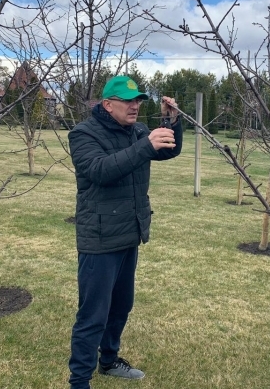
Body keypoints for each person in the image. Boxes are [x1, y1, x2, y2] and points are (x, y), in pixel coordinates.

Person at [67, 76, 182, 389]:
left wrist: (171, 121)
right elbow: (100, 170)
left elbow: (169, 150)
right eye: (128, 101)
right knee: (93, 314)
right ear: (107, 104)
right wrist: (144, 146)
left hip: (129, 232)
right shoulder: (83, 134)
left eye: (138, 100)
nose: (135, 106)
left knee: (121, 306)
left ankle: (109, 361)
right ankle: (79, 381)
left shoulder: (138, 131)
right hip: (99, 238)